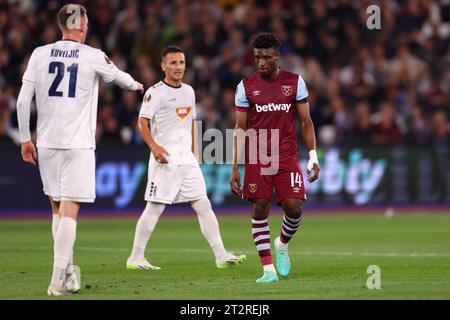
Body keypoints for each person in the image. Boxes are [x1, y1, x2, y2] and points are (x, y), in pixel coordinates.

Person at [16, 4, 144, 295]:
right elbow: (120, 78)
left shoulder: (39, 54)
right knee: (71, 210)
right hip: (78, 144)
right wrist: (136, 85)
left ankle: (69, 272)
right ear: (83, 26)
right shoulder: (93, 56)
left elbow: (23, 101)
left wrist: (26, 138)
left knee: (57, 211)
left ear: (61, 26)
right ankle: (57, 280)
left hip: (46, 143)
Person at [127, 46, 246, 270]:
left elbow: (191, 123)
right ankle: (135, 257)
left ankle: (221, 255)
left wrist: (196, 153)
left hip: (187, 160)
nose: (178, 67)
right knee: (154, 208)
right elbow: (141, 123)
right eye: (173, 63)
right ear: (163, 66)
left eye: (181, 62)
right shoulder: (155, 92)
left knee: (203, 205)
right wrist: (154, 147)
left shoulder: (189, 91)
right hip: (165, 160)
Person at [230, 33, 320, 283]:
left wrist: (313, 155)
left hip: (287, 154)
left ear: (277, 57)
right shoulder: (245, 87)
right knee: (260, 207)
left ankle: (281, 243)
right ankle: (267, 270)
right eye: (257, 57)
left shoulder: (294, 82)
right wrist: (235, 166)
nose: (261, 62)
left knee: (294, 207)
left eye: (266, 57)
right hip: (258, 157)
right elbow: (240, 128)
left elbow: (305, 121)